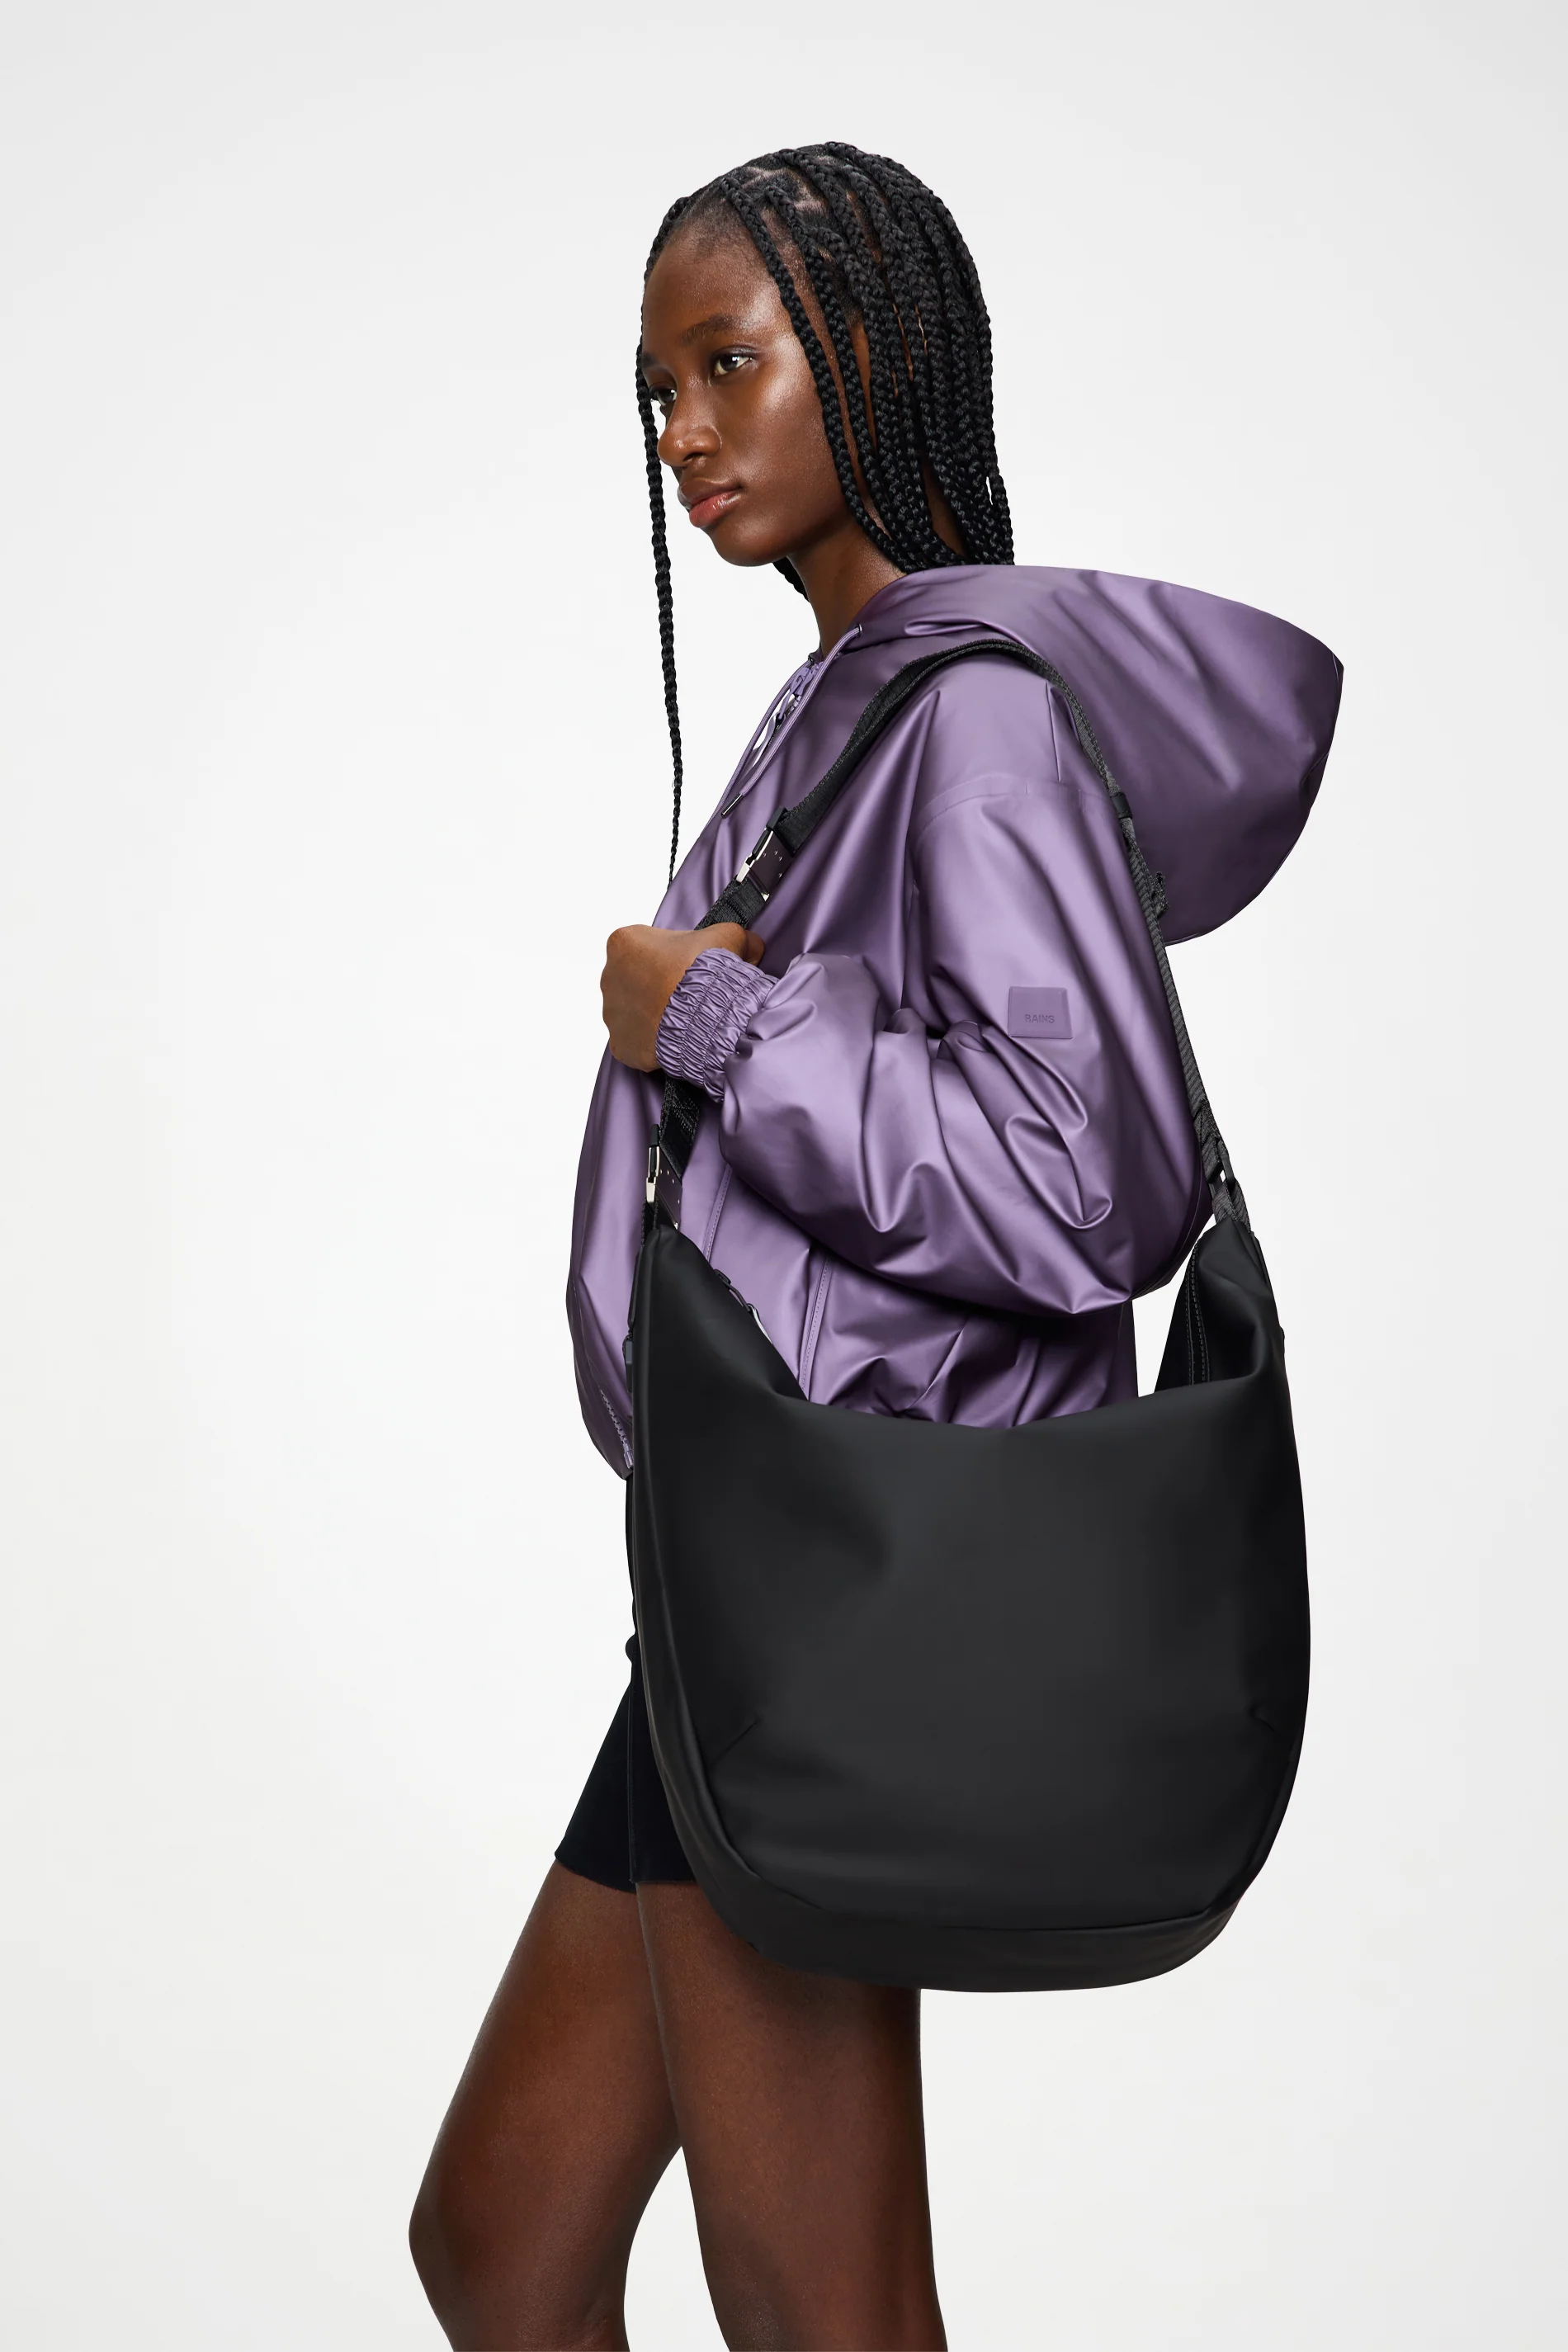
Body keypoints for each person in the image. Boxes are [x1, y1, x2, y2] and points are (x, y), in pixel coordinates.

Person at [409, 144, 1340, 2351]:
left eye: (726, 365)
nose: (682, 432)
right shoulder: (846, 697)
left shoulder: (975, 715)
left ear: (874, 354)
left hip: (844, 1588)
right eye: (655, 387)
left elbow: (1088, 1181)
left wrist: (715, 1023)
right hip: (739, 1583)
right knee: (504, 2245)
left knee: (822, 2314)